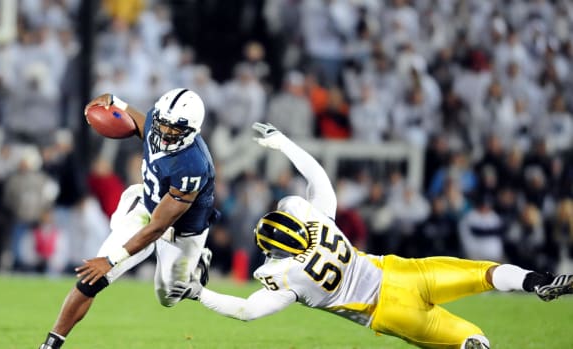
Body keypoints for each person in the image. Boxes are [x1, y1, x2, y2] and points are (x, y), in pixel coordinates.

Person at [170, 122, 573, 349]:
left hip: (387, 311)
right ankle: (536, 282)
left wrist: (198, 294)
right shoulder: (318, 222)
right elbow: (318, 177)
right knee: (488, 273)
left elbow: (247, 311)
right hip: (402, 273)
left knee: (473, 340)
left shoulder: (284, 276)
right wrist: (284, 143)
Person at [38, 88, 218, 349]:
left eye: (174, 130)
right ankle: (50, 345)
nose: (165, 134)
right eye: (163, 125)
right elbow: (141, 124)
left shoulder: (193, 165)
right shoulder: (159, 121)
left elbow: (159, 226)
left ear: (192, 131)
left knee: (167, 296)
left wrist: (110, 260)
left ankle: (197, 263)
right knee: (93, 278)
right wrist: (114, 101)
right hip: (147, 206)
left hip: (179, 230)